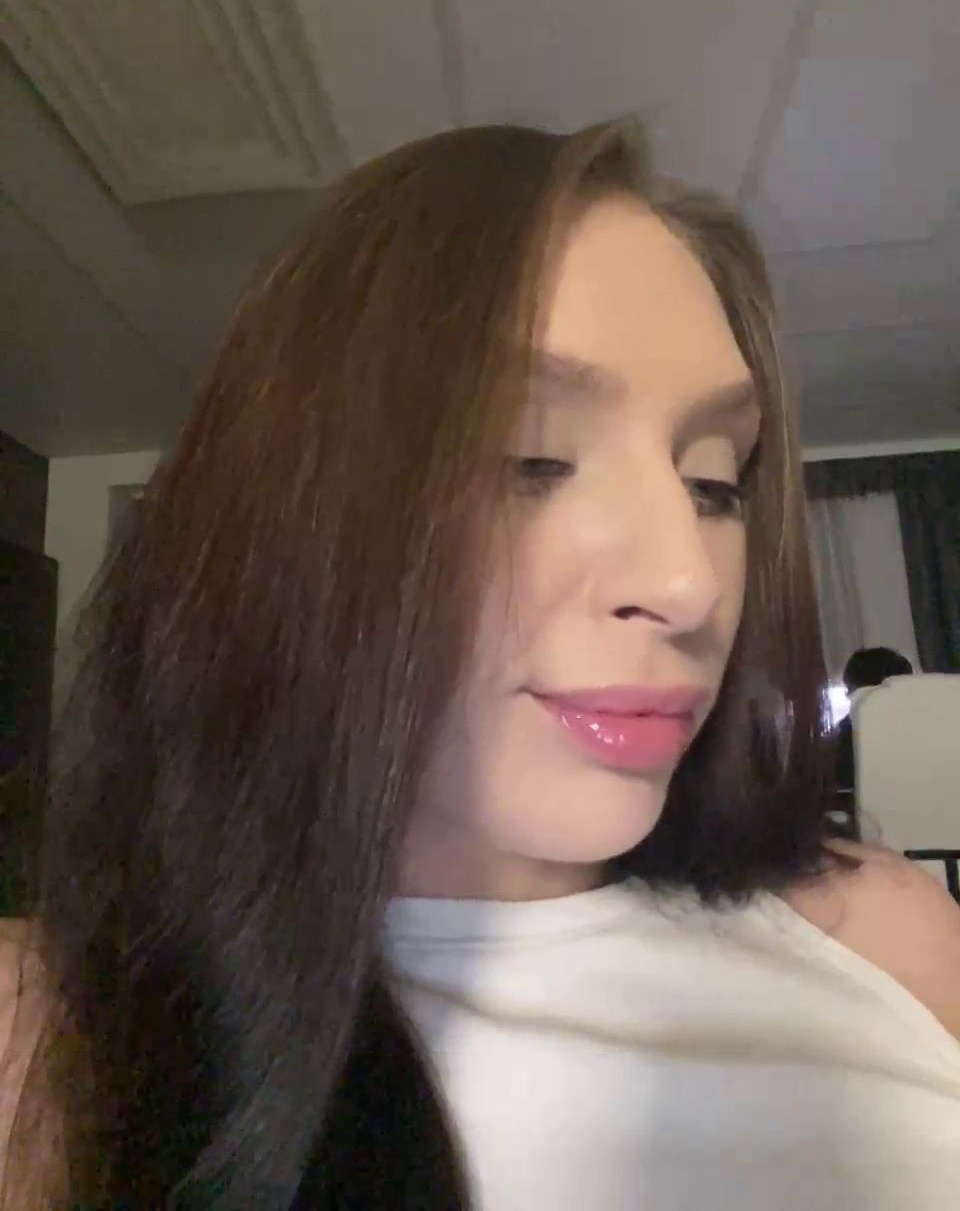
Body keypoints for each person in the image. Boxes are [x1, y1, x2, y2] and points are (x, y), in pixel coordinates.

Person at [1, 122, 959, 1210]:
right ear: (289, 518)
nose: (689, 582)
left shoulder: (880, 938)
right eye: (530, 457)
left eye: (713, 483)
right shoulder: (54, 1045)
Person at [833, 646, 916, 804]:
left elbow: (845, 787)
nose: (847, 695)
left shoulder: (852, 731)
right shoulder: (928, 725)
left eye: (849, 689)